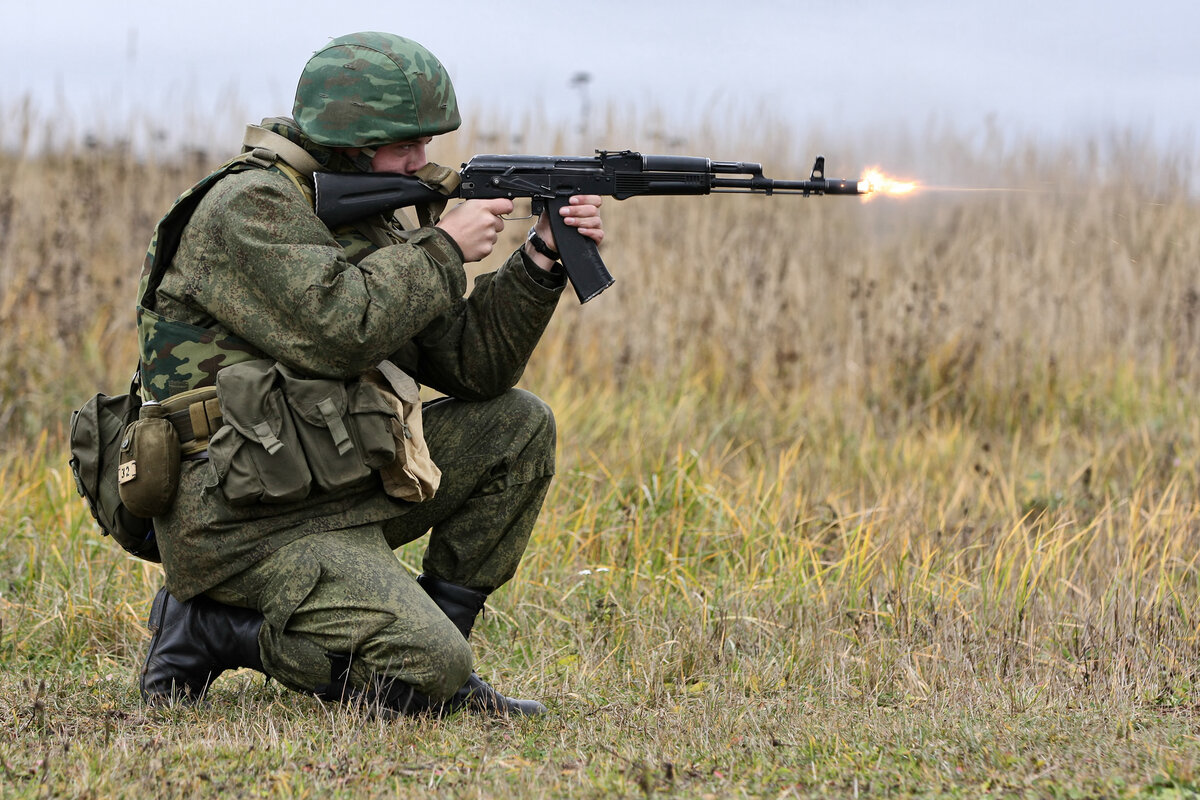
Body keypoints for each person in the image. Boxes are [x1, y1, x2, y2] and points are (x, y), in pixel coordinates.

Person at [136, 31, 605, 716]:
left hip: (333, 475)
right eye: (404, 144)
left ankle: (448, 678)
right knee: (425, 666)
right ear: (347, 141)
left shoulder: (367, 218)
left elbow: (474, 368)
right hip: (243, 515)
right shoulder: (248, 209)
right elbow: (340, 329)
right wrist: (444, 247)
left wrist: (539, 260)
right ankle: (208, 627)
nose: (423, 159)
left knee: (517, 425)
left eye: (427, 141)